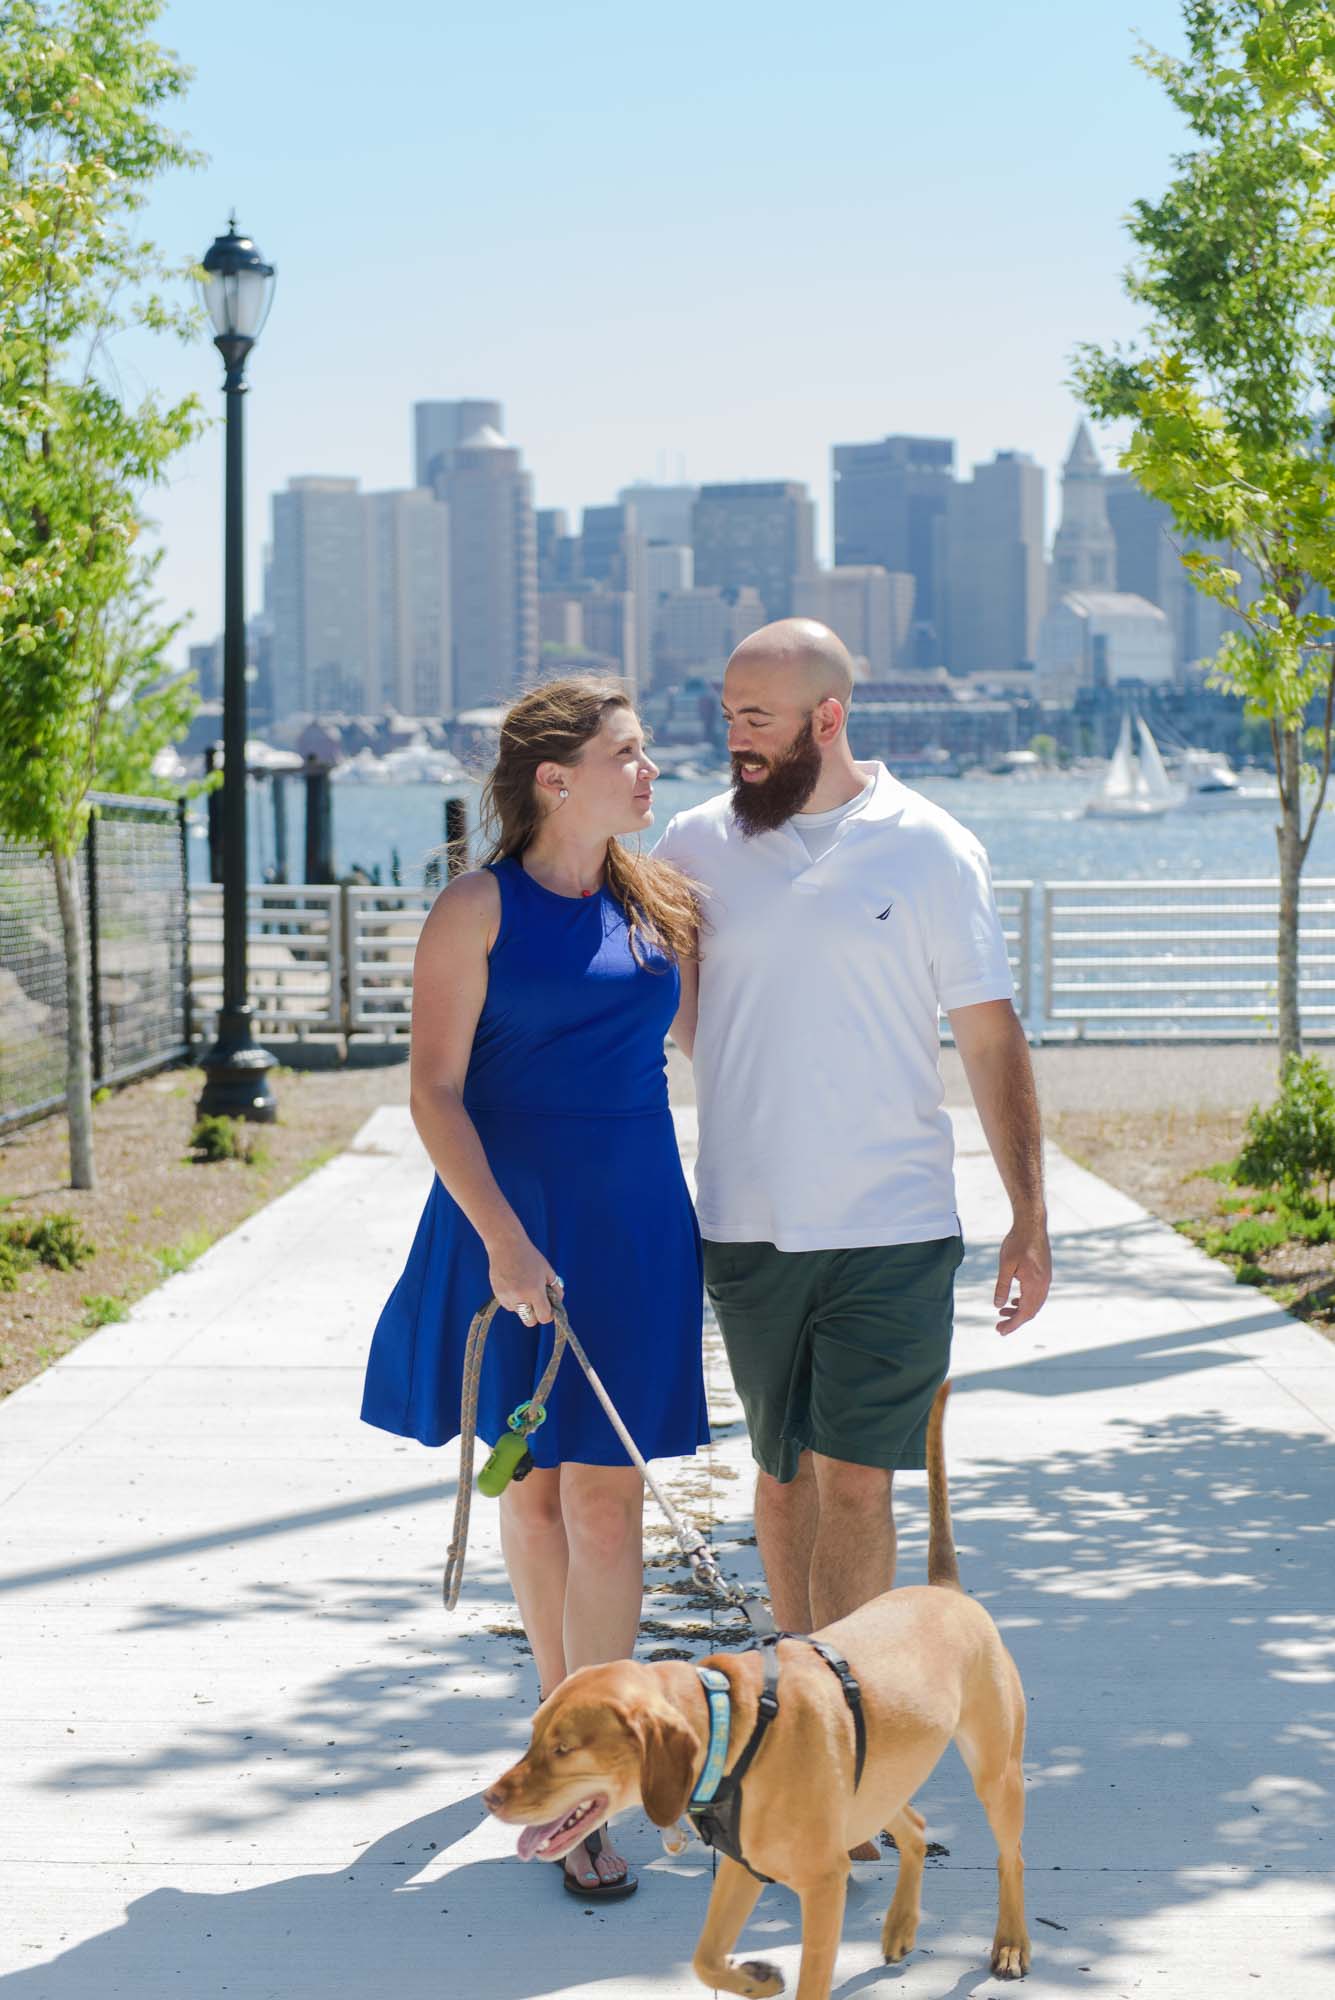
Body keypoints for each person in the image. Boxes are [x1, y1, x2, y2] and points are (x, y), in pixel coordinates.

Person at [362, 676, 707, 1900]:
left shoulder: (660, 898)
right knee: (534, 1483)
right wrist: (504, 1238)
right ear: (557, 777)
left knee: (608, 1498)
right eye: (630, 752)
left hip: (636, 1221)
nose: (651, 768)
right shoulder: (476, 907)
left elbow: (718, 1039)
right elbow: (433, 1092)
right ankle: (560, 1743)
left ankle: (593, 1771)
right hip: (508, 1223)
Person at [655, 616, 1050, 1658]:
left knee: (858, 1477)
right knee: (783, 1474)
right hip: (746, 1219)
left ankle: (852, 1721)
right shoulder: (693, 842)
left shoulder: (932, 847)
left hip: (895, 1224)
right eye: (727, 711)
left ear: (828, 718)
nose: (735, 735)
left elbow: (989, 1037)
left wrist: (1029, 1215)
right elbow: (675, 1010)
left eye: (757, 718)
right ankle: (797, 1705)